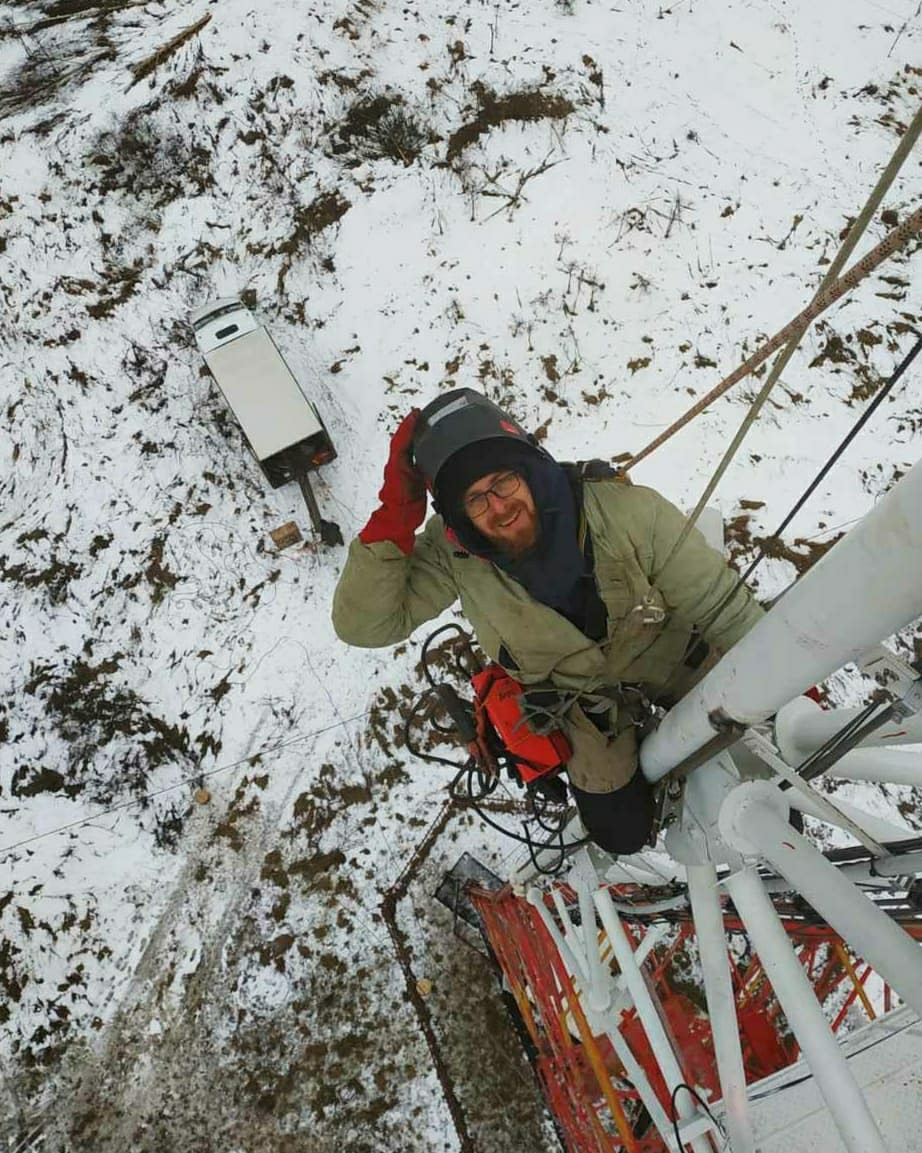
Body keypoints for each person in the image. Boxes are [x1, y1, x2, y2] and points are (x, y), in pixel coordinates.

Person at [332, 389, 763, 853]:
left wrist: (776, 666)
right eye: (475, 500)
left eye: (504, 482)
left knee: (760, 760)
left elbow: (720, 603)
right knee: (622, 833)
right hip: (582, 703)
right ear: (458, 516)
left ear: (530, 470)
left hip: (671, 655)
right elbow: (366, 625)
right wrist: (395, 515)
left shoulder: (624, 511)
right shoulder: (455, 553)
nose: (498, 507)